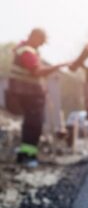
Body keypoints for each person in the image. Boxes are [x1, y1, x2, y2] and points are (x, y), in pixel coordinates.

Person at [7, 29, 65, 168]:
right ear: (34, 37)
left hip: (29, 94)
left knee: (33, 124)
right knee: (33, 125)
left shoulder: (25, 50)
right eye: (41, 41)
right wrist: (57, 67)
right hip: (28, 95)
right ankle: (28, 156)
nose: (41, 45)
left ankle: (27, 155)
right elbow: (37, 71)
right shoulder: (27, 52)